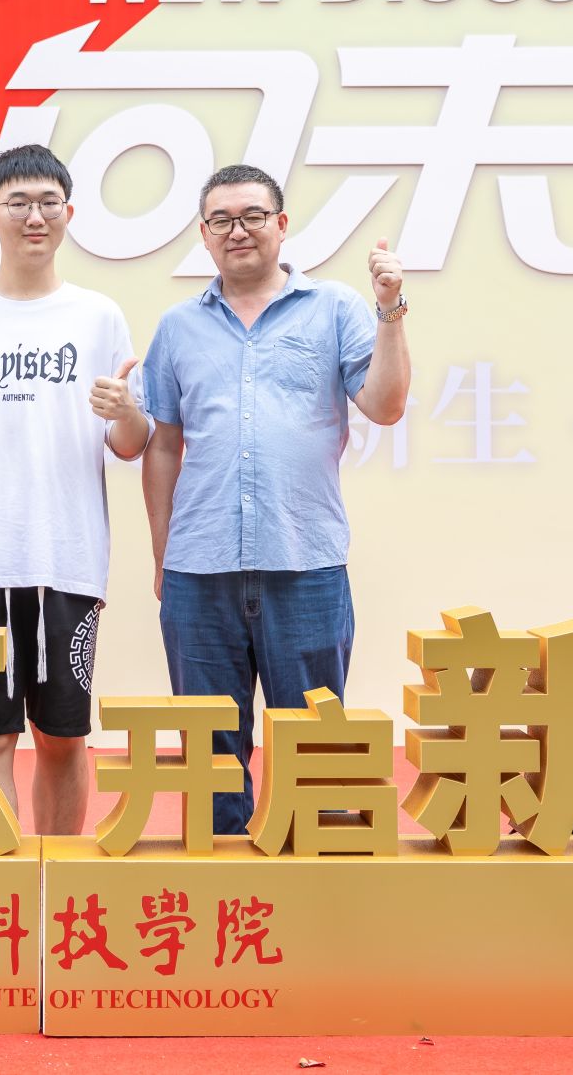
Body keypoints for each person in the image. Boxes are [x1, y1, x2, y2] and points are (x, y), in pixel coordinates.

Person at [139, 165, 411, 836]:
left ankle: (312, 889)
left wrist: (390, 310)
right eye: (222, 220)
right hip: (199, 570)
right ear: (204, 234)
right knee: (210, 759)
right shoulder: (178, 327)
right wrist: (163, 553)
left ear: (282, 225)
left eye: (254, 216)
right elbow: (164, 445)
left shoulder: (336, 308)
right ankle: (221, 889)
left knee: (314, 751)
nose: (239, 231)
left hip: (305, 564)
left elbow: (385, 404)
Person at [0, 144, 149, 835]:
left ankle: (57, 880)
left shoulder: (98, 315)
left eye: (48, 202)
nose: (34, 216)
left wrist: (125, 411)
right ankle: (3, 880)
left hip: (67, 560)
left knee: (64, 737)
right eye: (17, 203)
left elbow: (129, 442)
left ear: (69, 213)